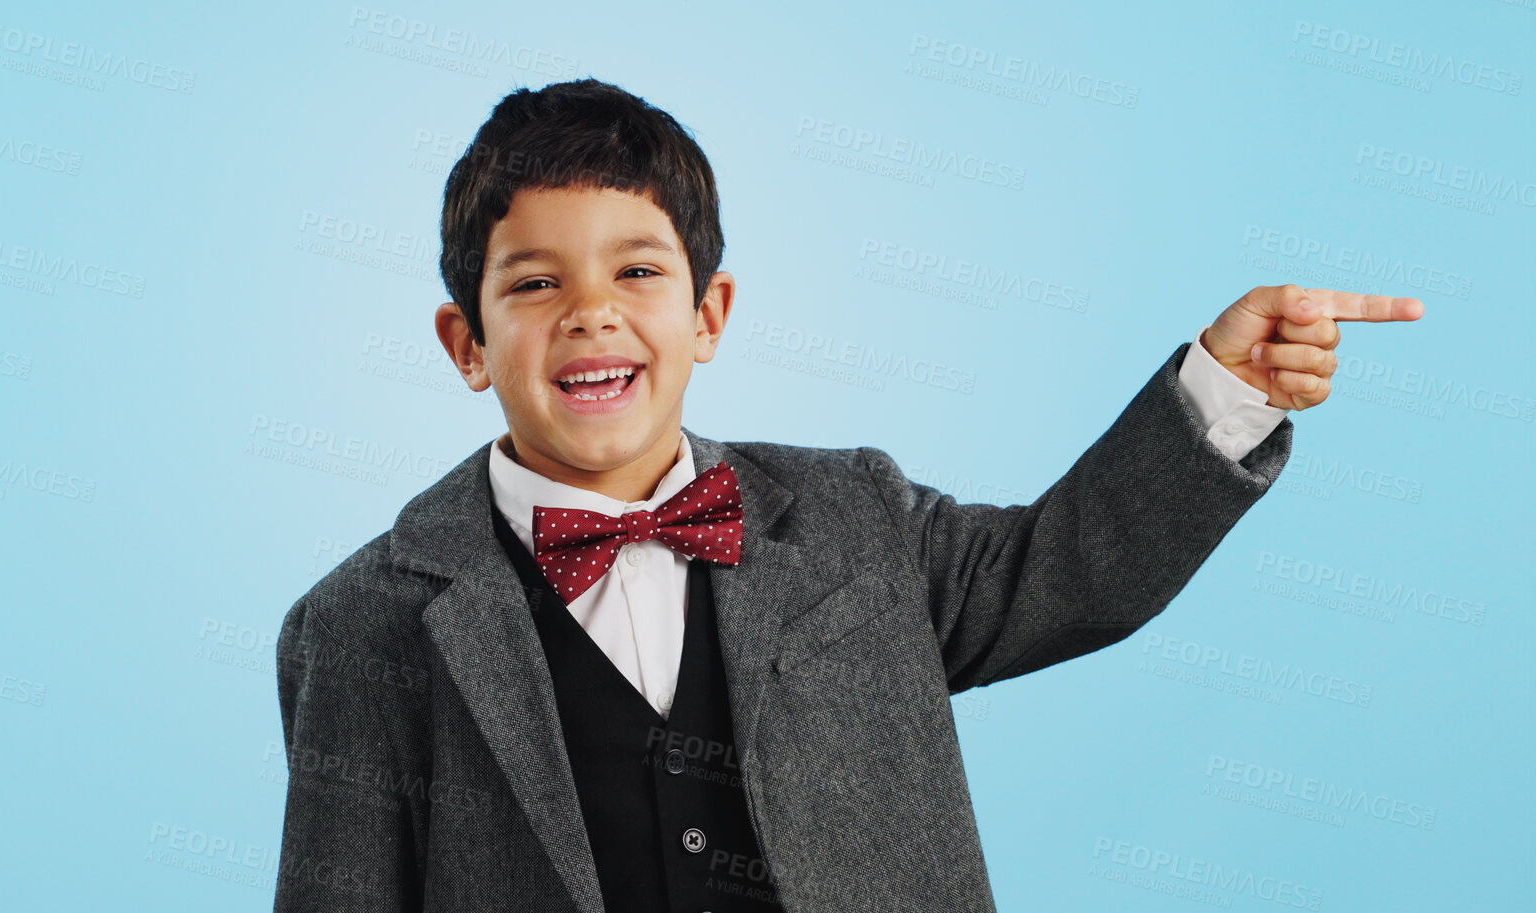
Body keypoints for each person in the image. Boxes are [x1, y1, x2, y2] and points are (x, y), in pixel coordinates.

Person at [271, 77, 1422, 913]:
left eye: (637, 270)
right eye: (533, 284)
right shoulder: (363, 622)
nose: (592, 312)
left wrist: (1221, 390)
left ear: (708, 314)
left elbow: (1066, 568)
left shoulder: (852, 521)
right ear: (464, 342)